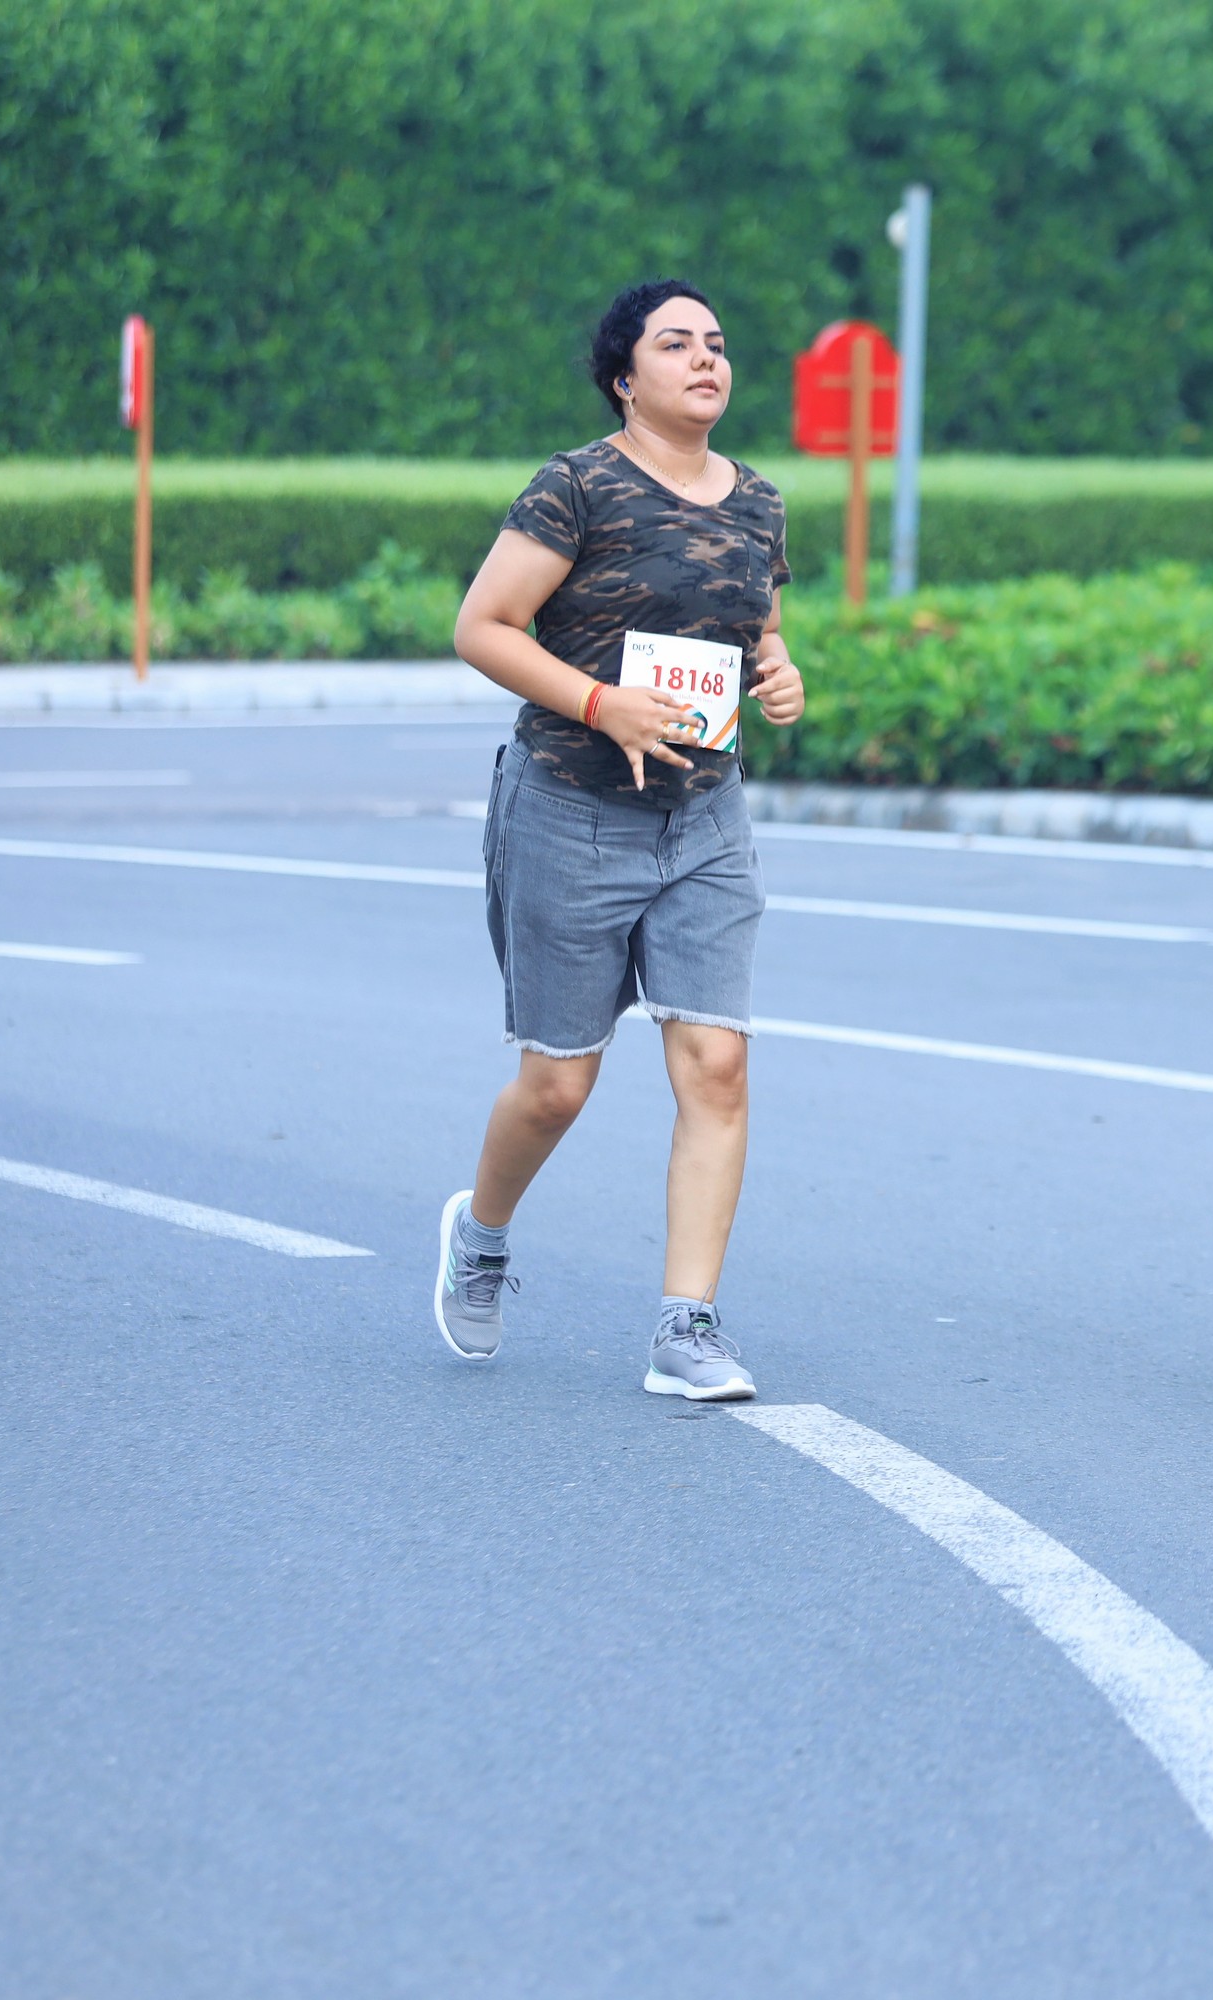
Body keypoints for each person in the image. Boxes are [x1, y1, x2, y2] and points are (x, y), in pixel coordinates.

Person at [434, 277, 806, 1400]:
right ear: (624, 377)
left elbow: (757, 631)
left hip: (704, 816)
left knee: (718, 1064)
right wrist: (602, 705)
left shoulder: (759, 502)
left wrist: (780, 673)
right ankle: (481, 1235)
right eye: (676, 344)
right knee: (559, 1083)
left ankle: (686, 1326)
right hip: (570, 808)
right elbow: (482, 626)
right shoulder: (577, 487)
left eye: (717, 344)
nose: (706, 360)